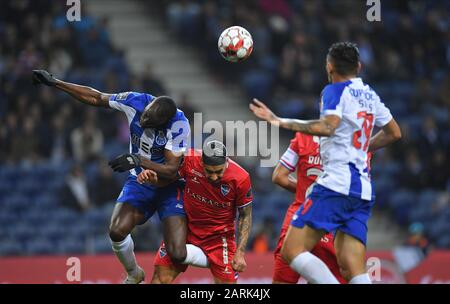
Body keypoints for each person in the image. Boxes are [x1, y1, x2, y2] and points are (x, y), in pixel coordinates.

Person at [250, 42, 402, 284]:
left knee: (291, 251)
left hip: (336, 185)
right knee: (352, 268)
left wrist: (279, 120)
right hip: (361, 191)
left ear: (329, 67)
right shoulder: (370, 95)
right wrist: (361, 148)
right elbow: (394, 133)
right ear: (359, 66)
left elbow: (327, 127)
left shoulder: (334, 90)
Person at [32, 69, 196, 284]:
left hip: (169, 186)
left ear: (162, 124)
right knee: (116, 231)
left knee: (177, 252)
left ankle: (216, 258)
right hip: (139, 181)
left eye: (148, 122)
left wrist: (139, 160)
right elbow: (97, 97)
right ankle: (134, 273)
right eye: (144, 115)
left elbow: (172, 171)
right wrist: (56, 83)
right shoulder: (135, 101)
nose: (142, 120)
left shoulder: (179, 126)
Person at [137, 141, 253, 284]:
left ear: (226, 162)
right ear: (201, 162)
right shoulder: (190, 159)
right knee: (159, 280)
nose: (214, 177)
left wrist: (240, 253)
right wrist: (153, 180)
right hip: (186, 229)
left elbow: (245, 214)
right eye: (209, 171)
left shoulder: (241, 178)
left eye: (219, 171)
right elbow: (168, 180)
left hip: (219, 238)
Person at [272, 132, 346, 284]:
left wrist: (307, 192)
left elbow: (279, 176)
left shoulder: (302, 137)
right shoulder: (357, 143)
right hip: (331, 223)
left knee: (284, 280)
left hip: (298, 220)